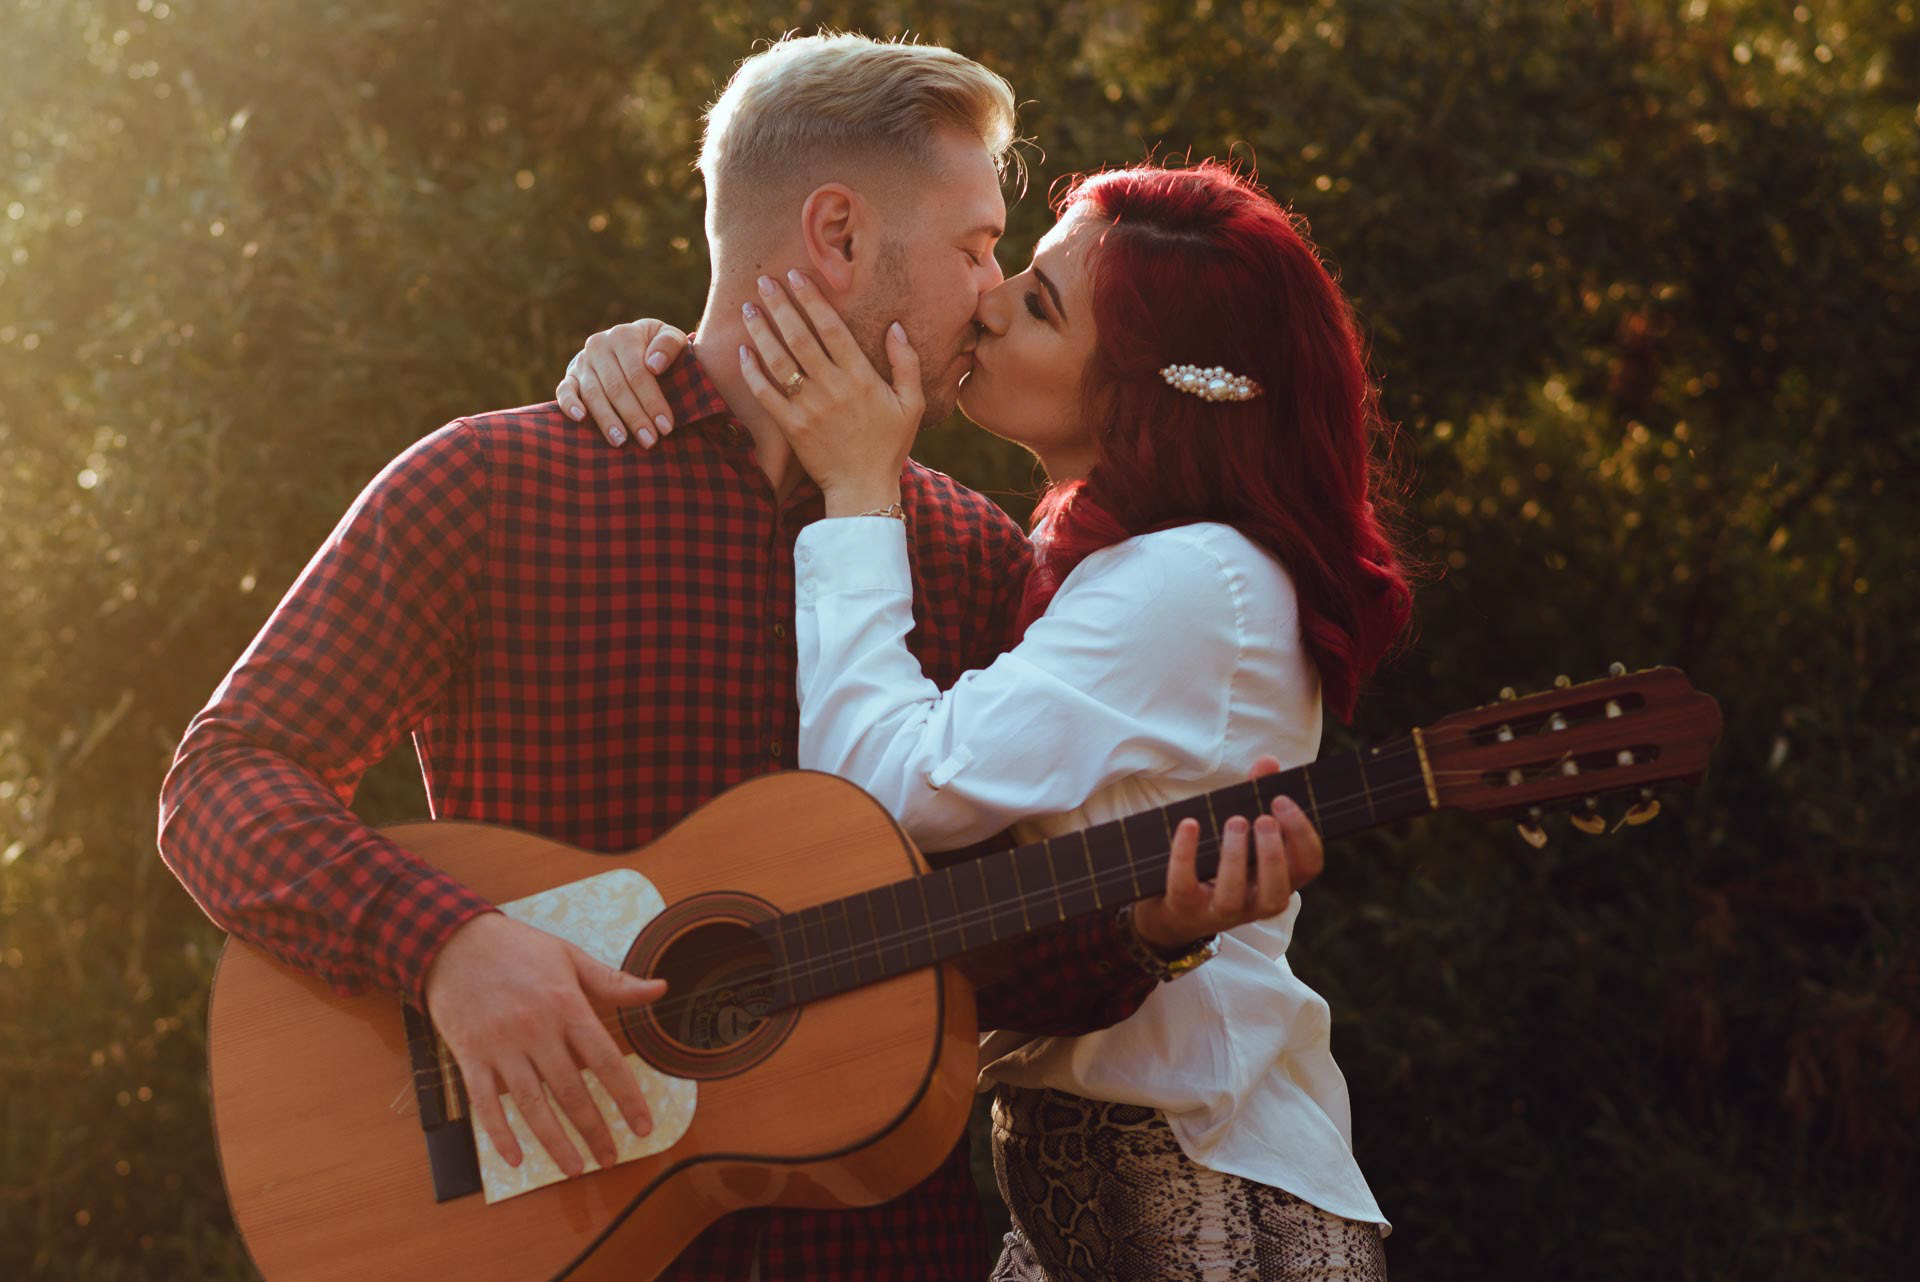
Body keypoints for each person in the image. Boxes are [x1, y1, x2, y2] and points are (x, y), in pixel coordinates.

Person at [157, 34, 1305, 1282]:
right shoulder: (489, 484)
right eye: (976, 245)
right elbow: (222, 778)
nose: (991, 290)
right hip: (556, 1239)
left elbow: (966, 955)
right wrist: (446, 947)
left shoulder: (974, 555)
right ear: (838, 235)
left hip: (876, 1252)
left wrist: (1144, 927)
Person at [555, 159, 1413, 1280]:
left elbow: (874, 801)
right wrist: (680, 366)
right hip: (1083, 1196)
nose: (991, 299)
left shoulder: (1195, 580)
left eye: (1042, 304)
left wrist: (862, 490)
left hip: (1207, 1198)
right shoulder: (1101, 575)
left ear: (1140, 390)